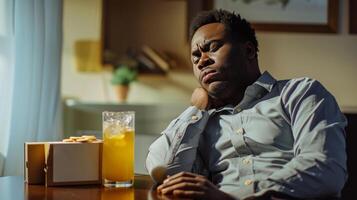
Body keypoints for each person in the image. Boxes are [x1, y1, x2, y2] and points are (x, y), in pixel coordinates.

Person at [146, 9, 347, 200]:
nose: (202, 61)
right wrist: (196, 109)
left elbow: (325, 168)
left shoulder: (300, 93)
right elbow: (164, 171)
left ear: (249, 51)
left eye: (213, 48)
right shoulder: (200, 121)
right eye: (195, 57)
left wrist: (234, 196)